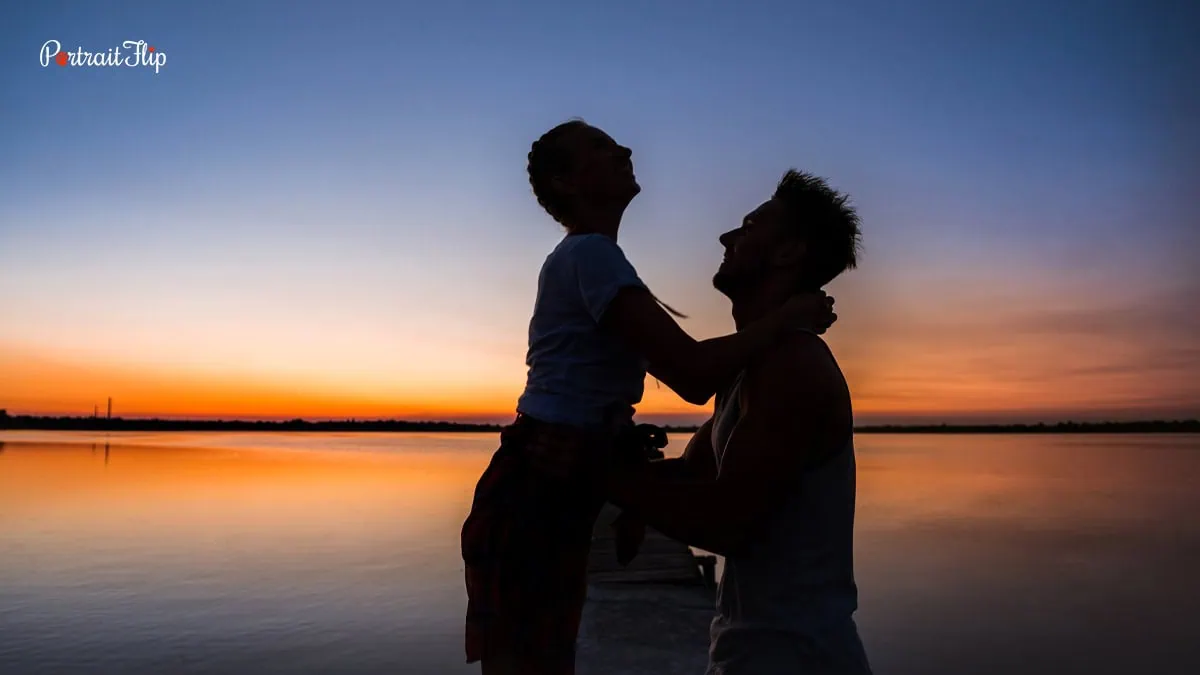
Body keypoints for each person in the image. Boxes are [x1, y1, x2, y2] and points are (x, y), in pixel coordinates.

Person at [460, 120, 837, 675]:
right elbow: (690, 373)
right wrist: (786, 318)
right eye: (600, 147)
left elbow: (682, 370)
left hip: (553, 471)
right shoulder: (591, 256)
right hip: (543, 474)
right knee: (530, 658)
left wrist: (627, 479)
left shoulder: (596, 260)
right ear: (566, 182)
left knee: (540, 653)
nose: (624, 149)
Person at [605, 169, 873, 674]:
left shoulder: (793, 366)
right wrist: (613, 468)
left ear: (788, 253)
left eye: (748, 227)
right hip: (750, 648)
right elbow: (693, 474)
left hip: (796, 655)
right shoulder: (752, 364)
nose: (727, 237)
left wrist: (601, 477)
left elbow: (729, 523)